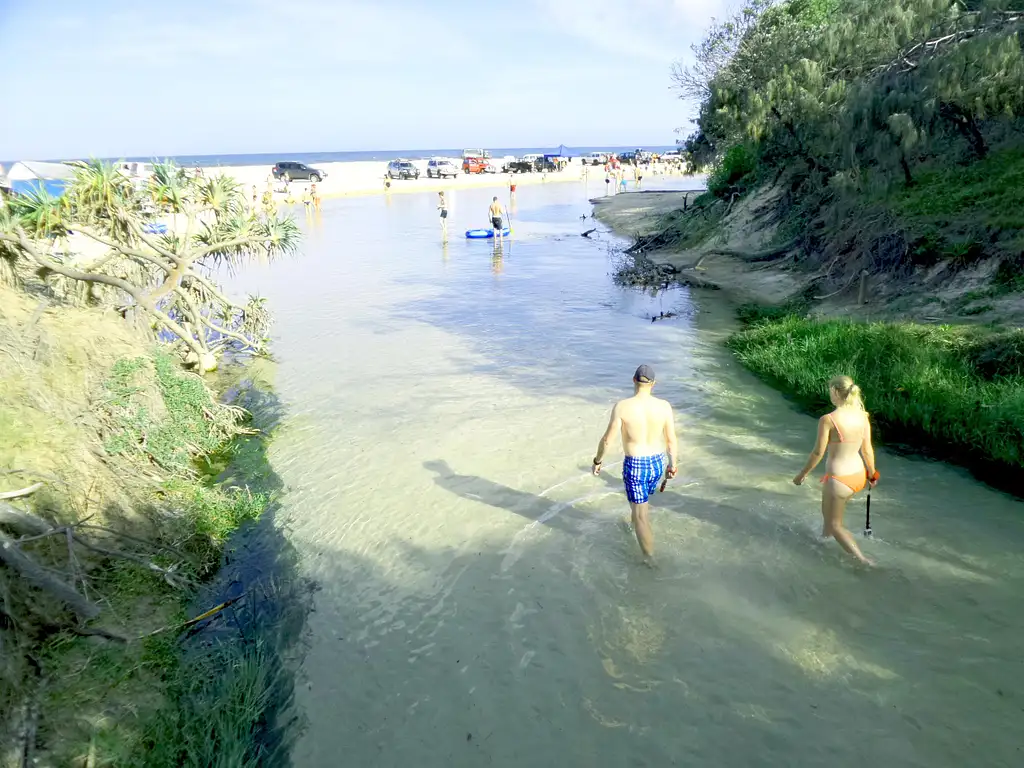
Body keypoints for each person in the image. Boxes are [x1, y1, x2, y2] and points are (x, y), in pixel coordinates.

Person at [592, 365, 678, 563]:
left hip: (636, 465)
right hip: (657, 463)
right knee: (639, 507)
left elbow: (607, 440)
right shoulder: (664, 406)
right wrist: (672, 466)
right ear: (653, 384)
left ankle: (650, 560)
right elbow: (671, 440)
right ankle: (632, 530)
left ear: (633, 380)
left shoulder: (623, 407)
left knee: (641, 516)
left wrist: (598, 460)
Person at [793, 375, 879, 566]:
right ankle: (823, 545)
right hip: (857, 476)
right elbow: (867, 450)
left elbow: (817, 452)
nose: (829, 393)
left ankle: (863, 560)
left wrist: (802, 474)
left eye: (830, 390)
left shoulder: (828, 419)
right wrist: (872, 474)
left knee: (835, 524)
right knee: (828, 516)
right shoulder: (862, 417)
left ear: (836, 392)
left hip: (838, 479)